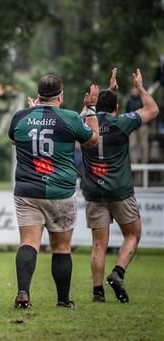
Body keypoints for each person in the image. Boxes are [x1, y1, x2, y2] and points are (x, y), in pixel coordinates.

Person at [8, 75, 99, 309]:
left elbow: (16, 139)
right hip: (61, 190)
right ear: (61, 95)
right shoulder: (69, 117)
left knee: (28, 242)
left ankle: (23, 293)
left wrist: (33, 115)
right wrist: (90, 109)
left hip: (28, 190)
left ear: (37, 95)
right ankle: (63, 300)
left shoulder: (20, 117)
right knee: (61, 247)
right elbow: (92, 141)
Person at [81, 68, 159, 303]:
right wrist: (140, 87)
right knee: (133, 234)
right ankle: (118, 272)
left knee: (98, 244)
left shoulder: (84, 123)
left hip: (94, 192)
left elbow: (79, 117)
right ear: (116, 108)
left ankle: (97, 293)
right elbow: (153, 110)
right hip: (120, 191)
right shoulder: (123, 122)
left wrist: (92, 103)